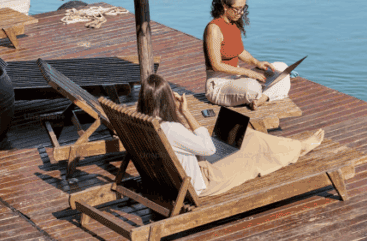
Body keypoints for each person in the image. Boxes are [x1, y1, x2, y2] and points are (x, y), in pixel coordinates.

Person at [136, 74, 324, 197]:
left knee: (243, 133)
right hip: (203, 181)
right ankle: (299, 148)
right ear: (167, 99)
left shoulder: (142, 123)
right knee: (255, 142)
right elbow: (208, 148)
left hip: (179, 175)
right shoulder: (170, 128)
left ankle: (293, 147)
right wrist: (185, 112)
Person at [203, 0, 291, 110]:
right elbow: (216, 65)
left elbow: (239, 51)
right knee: (252, 87)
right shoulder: (214, 29)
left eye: (243, 8)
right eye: (237, 9)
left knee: (283, 69)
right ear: (225, 7)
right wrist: (248, 72)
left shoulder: (233, 24)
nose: (241, 12)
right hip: (219, 84)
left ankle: (261, 99)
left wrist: (257, 62)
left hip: (237, 79)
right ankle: (262, 94)